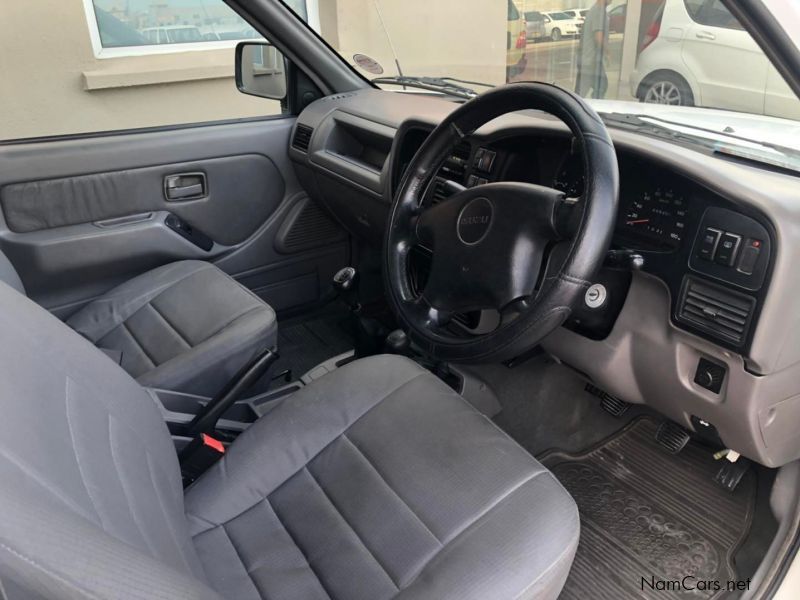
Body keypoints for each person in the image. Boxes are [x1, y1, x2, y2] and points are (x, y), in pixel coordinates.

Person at [576, 0, 610, 98]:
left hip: (588, 59)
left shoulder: (596, 10)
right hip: (590, 60)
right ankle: (594, 108)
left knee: (583, 90)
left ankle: (575, 107)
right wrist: (608, 51)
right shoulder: (598, 12)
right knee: (601, 86)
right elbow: (598, 37)